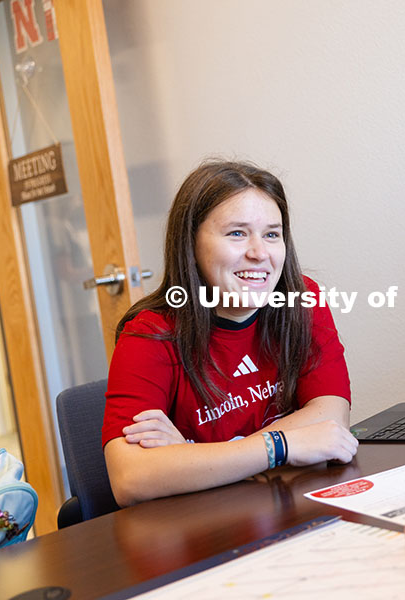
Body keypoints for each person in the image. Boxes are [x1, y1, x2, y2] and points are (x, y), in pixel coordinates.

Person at [103, 161, 358, 507]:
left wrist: (195, 457)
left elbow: (331, 417)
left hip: (284, 507)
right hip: (201, 529)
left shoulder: (302, 299)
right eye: (237, 233)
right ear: (191, 244)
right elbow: (130, 478)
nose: (259, 253)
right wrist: (283, 447)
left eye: (272, 234)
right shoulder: (150, 335)